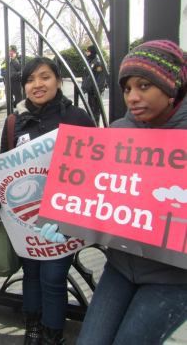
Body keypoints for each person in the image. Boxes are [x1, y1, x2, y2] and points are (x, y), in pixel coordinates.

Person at [77, 40, 187, 345]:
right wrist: (68, 220)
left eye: (144, 85)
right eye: (127, 89)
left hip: (173, 279)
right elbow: (95, 197)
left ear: (172, 87)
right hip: (120, 268)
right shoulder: (117, 133)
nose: (133, 97)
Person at [0, 57, 94, 345]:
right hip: (26, 218)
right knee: (31, 273)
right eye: (30, 80)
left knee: (53, 277)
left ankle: (54, 332)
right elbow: (3, 164)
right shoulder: (14, 122)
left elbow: (95, 168)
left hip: (64, 217)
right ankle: (33, 324)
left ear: (58, 81)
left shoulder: (77, 118)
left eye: (45, 77)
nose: (37, 85)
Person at [81, 45, 106, 125]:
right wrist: (84, 87)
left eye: (88, 51)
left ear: (92, 52)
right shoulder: (89, 61)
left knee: (95, 112)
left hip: (95, 92)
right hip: (90, 91)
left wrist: (98, 91)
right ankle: (91, 126)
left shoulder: (98, 62)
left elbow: (101, 78)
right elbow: (86, 76)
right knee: (90, 111)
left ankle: (95, 128)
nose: (86, 52)